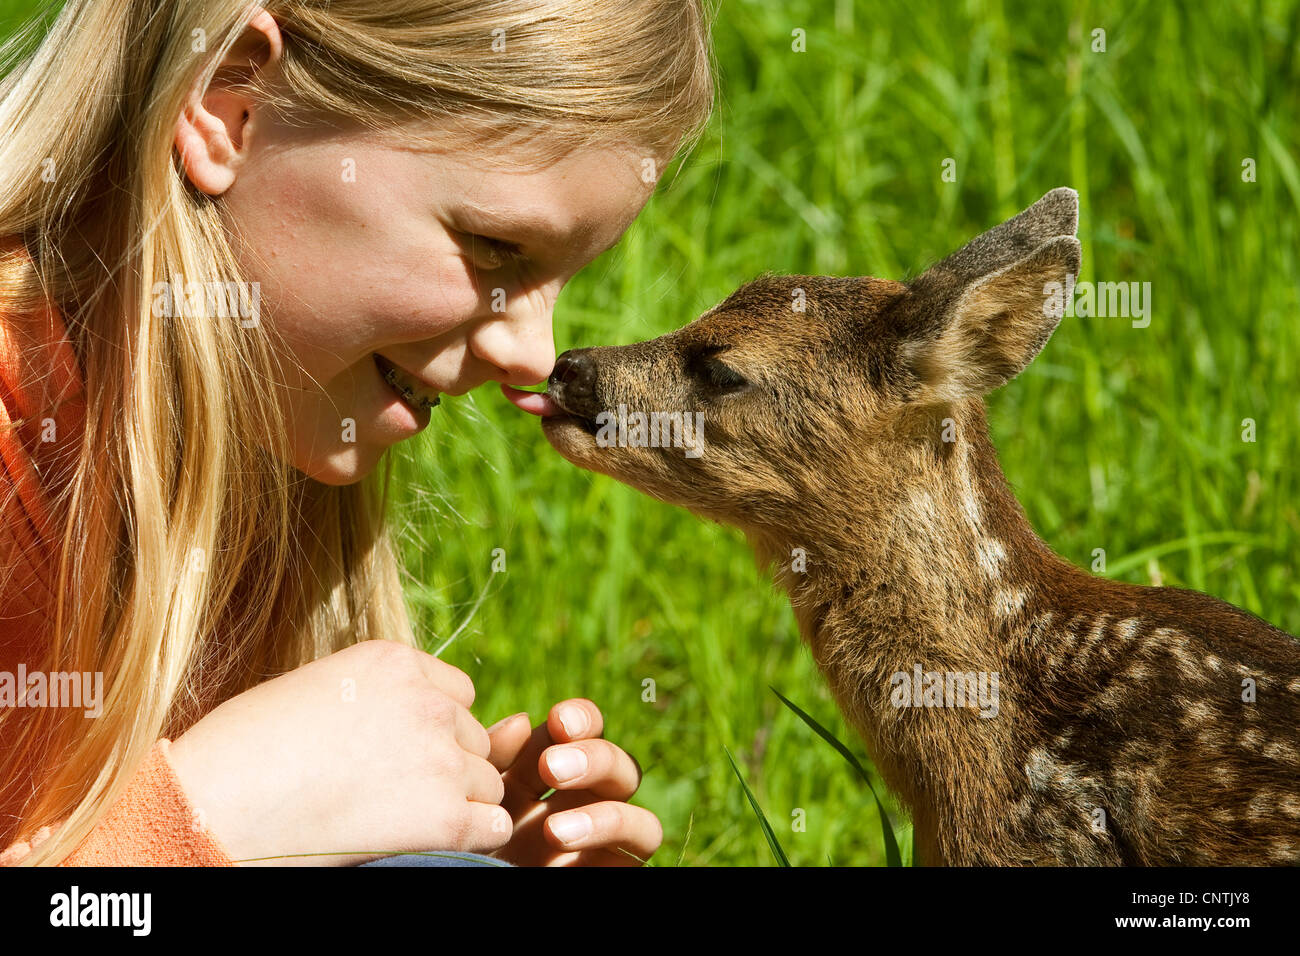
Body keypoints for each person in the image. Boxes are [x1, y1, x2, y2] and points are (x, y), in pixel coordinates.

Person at [0, 0, 713, 866]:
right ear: (232, 101)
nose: (535, 356)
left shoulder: (258, 488)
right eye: (492, 247)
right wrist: (210, 815)